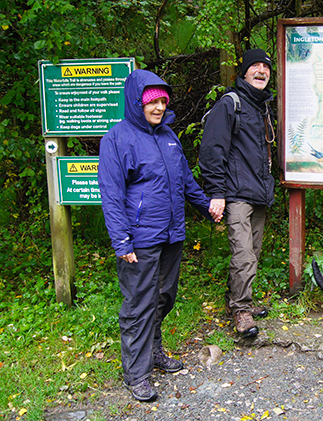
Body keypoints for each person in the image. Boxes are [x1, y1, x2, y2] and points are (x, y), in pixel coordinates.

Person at [99, 69, 218, 402]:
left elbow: (185, 180)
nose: (158, 108)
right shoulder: (117, 139)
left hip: (171, 234)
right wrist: (121, 241)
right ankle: (136, 374)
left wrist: (206, 205)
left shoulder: (168, 136)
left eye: (163, 101)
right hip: (140, 239)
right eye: (152, 102)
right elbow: (110, 194)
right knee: (138, 304)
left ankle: (153, 351)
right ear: (137, 103)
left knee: (164, 297)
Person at [200, 48, 275, 338]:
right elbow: (211, 151)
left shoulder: (261, 106)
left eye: (266, 67)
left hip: (258, 193)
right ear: (243, 72)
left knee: (252, 253)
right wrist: (217, 193)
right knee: (243, 253)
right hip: (236, 194)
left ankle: (241, 300)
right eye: (255, 66)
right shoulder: (230, 104)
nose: (261, 71)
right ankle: (241, 311)